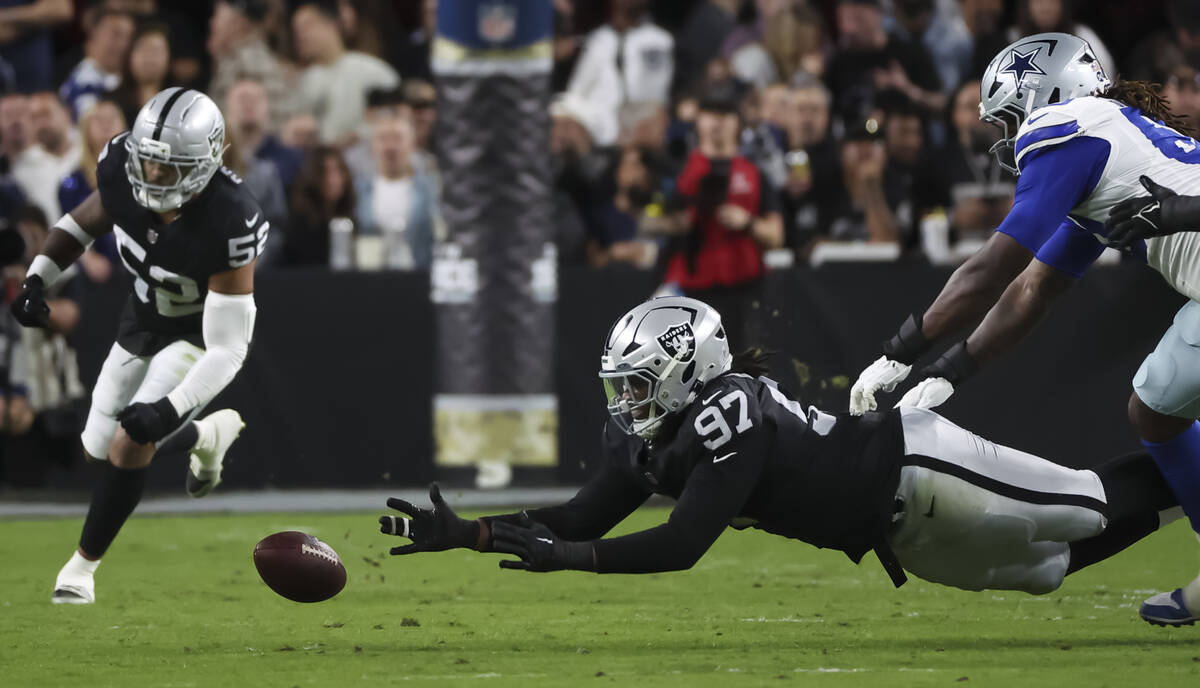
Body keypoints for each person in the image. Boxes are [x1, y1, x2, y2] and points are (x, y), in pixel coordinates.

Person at [378, 296, 1181, 598]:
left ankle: (1190, 470)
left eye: (638, 382)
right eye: (620, 383)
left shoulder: (730, 411)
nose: (625, 401)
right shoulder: (653, 429)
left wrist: (568, 562)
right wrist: (472, 535)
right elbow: (588, 513)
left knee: (1083, 507)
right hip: (888, 531)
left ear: (689, 371)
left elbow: (683, 544)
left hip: (921, 464)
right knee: (1045, 572)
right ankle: (1183, 497)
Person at [846, 32, 1200, 627]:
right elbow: (1034, 289)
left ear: (1045, 93)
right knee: (1156, 407)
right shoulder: (1108, 145)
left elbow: (995, 267)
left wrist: (901, 351)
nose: (1006, 137)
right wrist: (951, 370)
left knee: (1156, 406)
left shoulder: (1070, 127)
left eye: (1008, 117)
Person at [11, 87, 262, 604]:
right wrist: (38, 277)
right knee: (96, 446)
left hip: (197, 334)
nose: (151, 176)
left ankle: (80, 570)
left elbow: (228, 349)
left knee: (132, 439)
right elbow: (82, 224)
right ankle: (204, 437)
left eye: (166, 169)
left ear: (205, 164)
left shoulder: (229, 219)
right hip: (142, 319)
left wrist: (167, 407)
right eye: (147, 163)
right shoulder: (121, 165)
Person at [659, 86, 784, 349]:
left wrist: (747, 221)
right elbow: (650, 221)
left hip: (745, 290)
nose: (717, 121)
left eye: (725, 113)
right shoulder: (679, 172)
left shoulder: (754, 175)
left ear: (736, 122)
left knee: (748, 371)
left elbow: (776, 236)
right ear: (699, 120)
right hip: (692, 292)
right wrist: (676, 223)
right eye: (710, 113)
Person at [292, 0, 400, 146]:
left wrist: (360, 134)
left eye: (307, 26)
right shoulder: (305, 81)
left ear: (332, 24)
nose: (301, 36)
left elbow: (396, 116)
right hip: (323, 162)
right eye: (296, 30)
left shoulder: (372, 71)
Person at [353, 116, 435, 270]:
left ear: (412, 144)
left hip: (419, 273)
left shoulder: (429, 189)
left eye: (398, 138)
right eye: (383, 139)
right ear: (373, 146)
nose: (390, 146)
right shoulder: (359, 190)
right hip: (370, 277)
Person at [207, 0, 296, 134]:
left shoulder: (249, 61)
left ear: (238, 23)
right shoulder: (239, 58)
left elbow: (266, 126)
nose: (212, 23)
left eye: (217, 16)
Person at [279, 145, 356, 267]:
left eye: (338, 171)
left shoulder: (349, 220)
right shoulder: (298, 225)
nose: (333, 180)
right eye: (326, 173)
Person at [223, 78, 304, 191]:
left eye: (255, 99)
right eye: (242, 99)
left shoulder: (289, 158)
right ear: (227, 107)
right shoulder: (217, 158)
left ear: (267, 107)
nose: (248, 105)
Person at [59, 9, 134, 120]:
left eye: (129, 37)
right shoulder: (83, 84)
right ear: (92, 37)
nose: (123, 44)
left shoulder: (133, 79)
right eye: (116, 35)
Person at [111, 22, 173, 127]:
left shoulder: (182, 102)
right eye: (144, 49)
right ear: (129, 56)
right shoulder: (112, 103)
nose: (149, 57)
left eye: (156, 50)